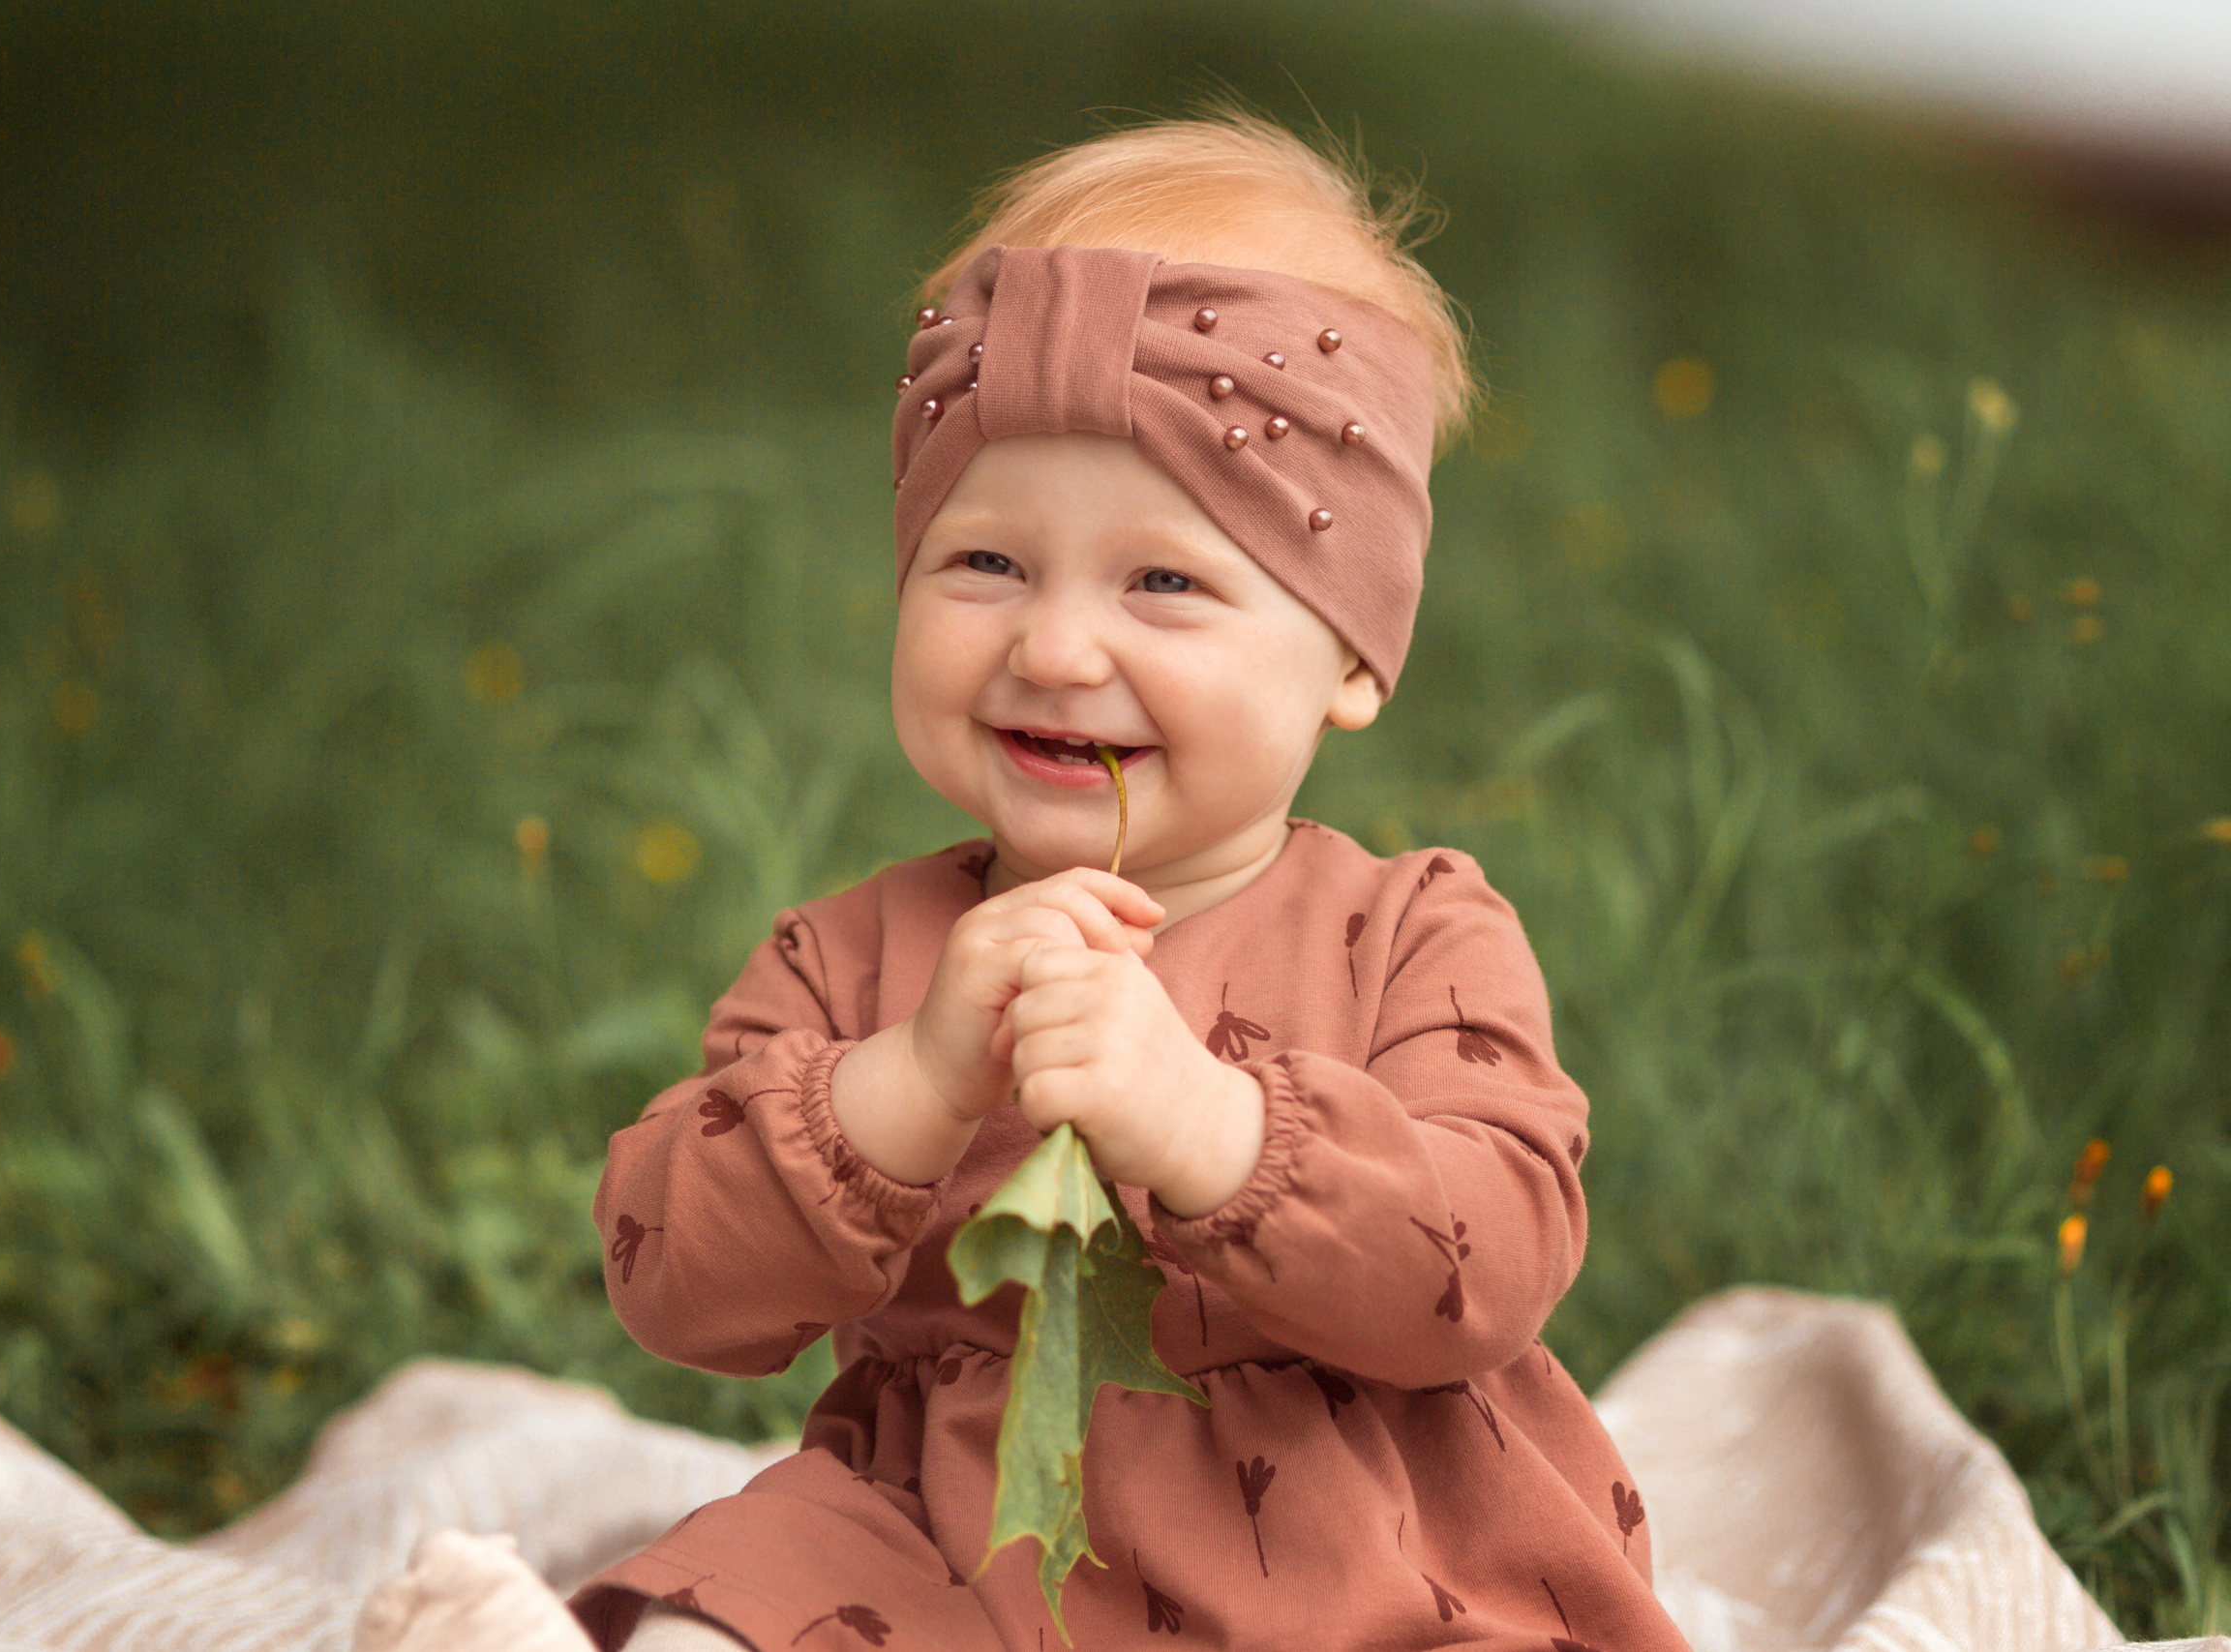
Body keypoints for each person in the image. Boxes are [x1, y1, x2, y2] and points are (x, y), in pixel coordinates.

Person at [574, 113, 1690, 1652]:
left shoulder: (1413, 932)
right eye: (988, 564)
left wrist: (1218, 1132)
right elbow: (672, 1279)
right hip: (948, 1549)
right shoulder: (854, 960)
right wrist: (904, 1088)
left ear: (1353, 656)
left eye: (1162, 581)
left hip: (1351, 1557)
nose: (1054, 648)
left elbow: (1489, 1265)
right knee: (732, 1605)